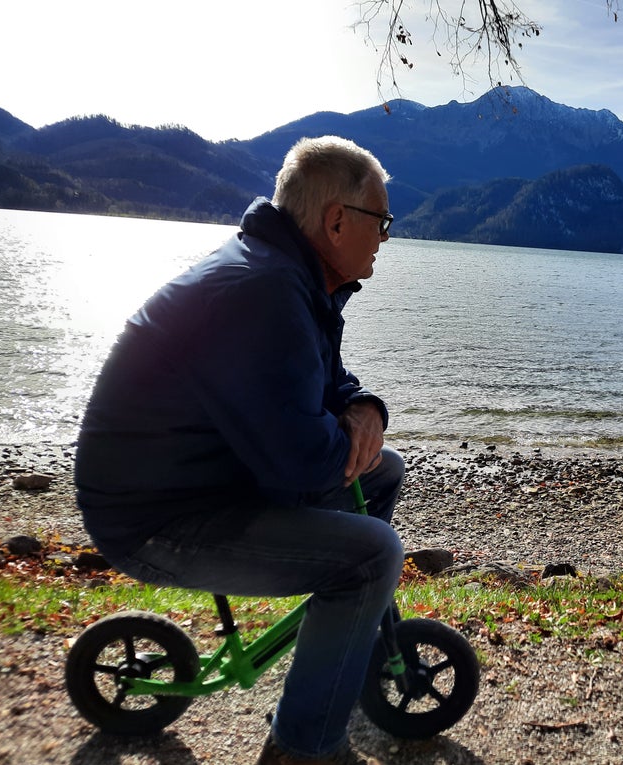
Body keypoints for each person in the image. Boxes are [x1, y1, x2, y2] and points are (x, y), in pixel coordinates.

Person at [75, 136, 403, 765]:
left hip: (203, 481)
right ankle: (301, 749)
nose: (384, 237)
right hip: (157, 518)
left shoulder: (292, 278)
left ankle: (335, 649)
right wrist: (342, 433)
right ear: (337, 221)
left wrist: (365, 409)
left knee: (381, 474)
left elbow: (326, 385)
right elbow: (302, 462)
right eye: (380, 221)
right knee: (370, 557)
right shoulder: (265, 293)